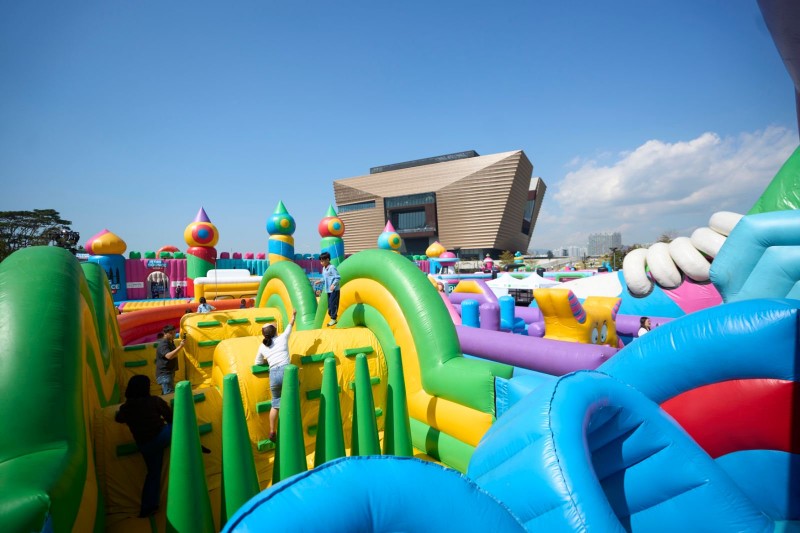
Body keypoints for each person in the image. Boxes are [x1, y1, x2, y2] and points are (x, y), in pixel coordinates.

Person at [115, 375, 173, 518]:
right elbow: (171, 416)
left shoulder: (126, 408)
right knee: (177, 426)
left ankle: (148, 507)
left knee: (153, 473)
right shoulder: (154, 401)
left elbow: (118, 418)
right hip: (160, 436)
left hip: (145, 445)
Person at [255, 310, 296, 442]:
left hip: (273, 374)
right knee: (294, 393)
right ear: (275, 332)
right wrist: (293, 315)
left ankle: (272, 430)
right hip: (286, 371)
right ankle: (290, 425)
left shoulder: (262, 346)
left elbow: (257, 362)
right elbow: (290, 325)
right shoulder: (282, 338)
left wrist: (269, 360)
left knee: (275, 404)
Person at [155, 325, 184, 394]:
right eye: (171, 333)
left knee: (166, 394)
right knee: (169, 395)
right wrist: (180, 346)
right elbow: (169, 356)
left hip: (168, 373)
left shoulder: (170, 342)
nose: (173, 334)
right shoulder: (163, 344)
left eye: (174, 332)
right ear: (165, 334)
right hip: (165, 374)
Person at [319, 252, 340, 327]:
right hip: (328, 290)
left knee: (333, 304)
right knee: (329, 307)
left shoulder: (332, 267)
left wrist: (333, 285)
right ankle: (332, 317)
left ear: (327, 259)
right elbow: (325, 278)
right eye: (320, 261)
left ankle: (334, 319)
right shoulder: (324, 268)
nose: (321, 263)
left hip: (334, 290)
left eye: (322, 261)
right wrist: (319, 281)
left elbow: (337, 277)